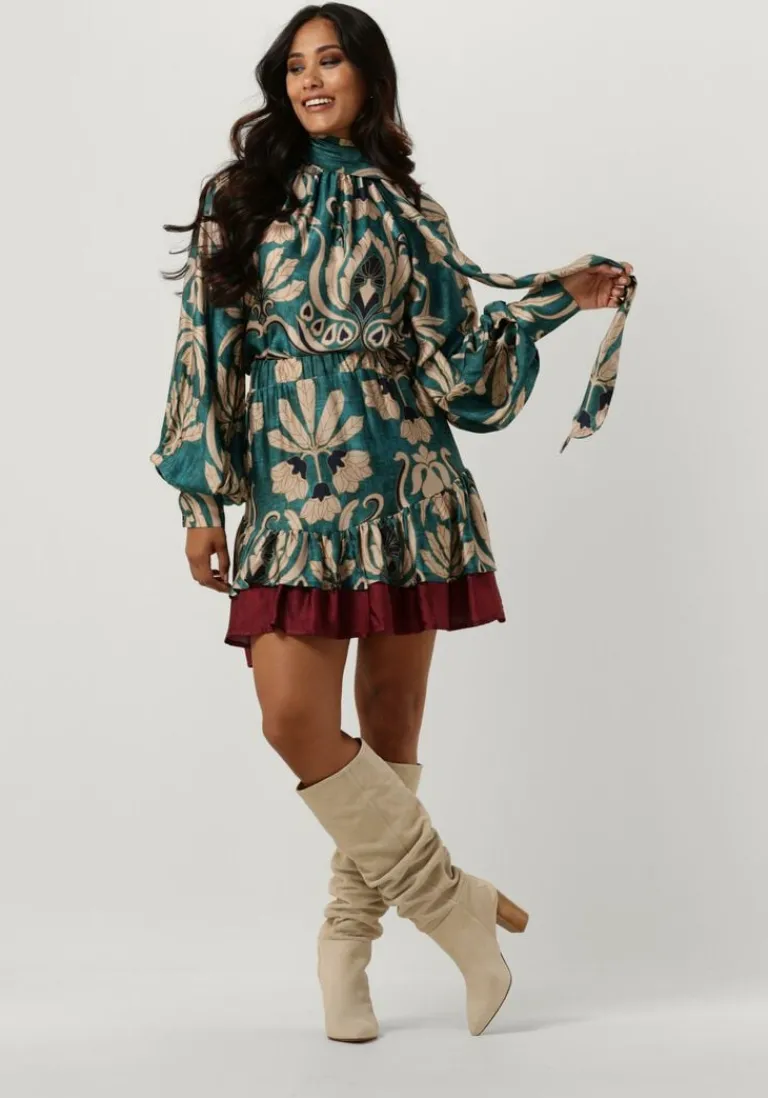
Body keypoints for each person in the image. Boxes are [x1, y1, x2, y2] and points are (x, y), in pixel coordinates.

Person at [149, 2, 635, 1041]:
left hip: (410, 491)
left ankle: (346, 949)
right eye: (295, 66)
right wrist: (200, 500)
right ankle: (456, 906)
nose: (311, 80)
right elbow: (204, 350)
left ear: (369, 77)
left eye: (331, 61)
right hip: (292, 492)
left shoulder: (411, 209)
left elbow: (463, 374)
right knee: (292, 720)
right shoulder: (240, 199)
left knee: (392, 730)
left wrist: (556, 299)